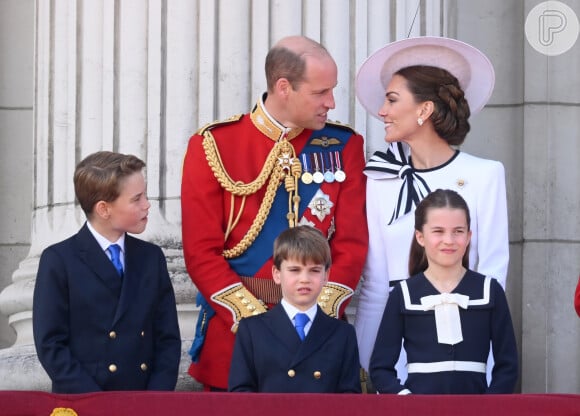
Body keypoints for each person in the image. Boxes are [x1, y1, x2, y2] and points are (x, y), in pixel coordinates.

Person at [181, 35, 368, 390]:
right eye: (320, 92)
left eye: (333, 90)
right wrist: (257, 325)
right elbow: (200, 252)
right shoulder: (214, 145)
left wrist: (317, 314)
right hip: (237, 339)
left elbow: (352, 244)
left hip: (318, 336)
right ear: (284, 87)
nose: (331, 102)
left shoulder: (344, 146)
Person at [353, 36, 510, 377]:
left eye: (392, 100)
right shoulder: (380, 179)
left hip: (464, 352)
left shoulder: (485, 175)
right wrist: (368, 362)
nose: (382, 111)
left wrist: (489, 366)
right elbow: (377, 283)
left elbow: (492, 277)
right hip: (395, 354)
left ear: (424, 110)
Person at [33, 151, 181, 393]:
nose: (147, 204)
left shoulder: (151, 258)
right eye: (136, 199)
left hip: (143, 403)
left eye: (145, 195)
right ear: (104, 209)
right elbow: (51, 345)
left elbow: (168, 339)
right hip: (85, 401)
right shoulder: (59, 260)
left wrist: (155, 400)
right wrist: (95, 403)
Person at [370, 189, 518, 394]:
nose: (449, 240)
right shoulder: (402, 294)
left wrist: (488, 406)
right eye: (438, 231)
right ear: (420, 237)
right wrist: (407, 401)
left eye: (458, 231)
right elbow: (380, 369)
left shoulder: (490, 291)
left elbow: (508, 366)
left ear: (469, 236)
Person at [228, 226, 361, 393]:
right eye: (294, 270)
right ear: (277, 274)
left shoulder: (343, 334)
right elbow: (241, 396)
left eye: (314, 271)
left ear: (326, 276)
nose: (304, 279)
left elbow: (349, 400)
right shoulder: (252, 330)